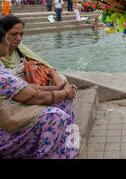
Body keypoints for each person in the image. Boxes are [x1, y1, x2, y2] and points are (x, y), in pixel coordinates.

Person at [0, 26, 79, 159]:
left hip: (11, 110)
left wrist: (60, 90)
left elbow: (28, 89)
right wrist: (65, 92)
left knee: (63, 103)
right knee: (55, 117)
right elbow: (33, 96)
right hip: (4, 128)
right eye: (9, 37)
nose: (16, 40)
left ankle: (70, 151)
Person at [0, 15, 66, 86]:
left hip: (28, 87)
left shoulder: (20, 49)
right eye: (14, 34)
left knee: (61, 79)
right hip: (13, 90)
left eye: (21, 34)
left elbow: (40, 63)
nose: (18, 38)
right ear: (2, 35)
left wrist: (54, 74)